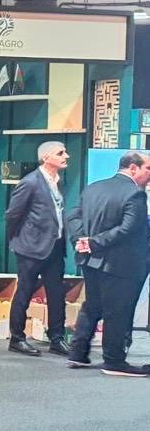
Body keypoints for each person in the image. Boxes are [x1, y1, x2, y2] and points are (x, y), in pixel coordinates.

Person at [65, 151, 150, 377]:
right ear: (133, 168)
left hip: (90, 261)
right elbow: (128, 229)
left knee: (92, 306)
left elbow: (73, 216)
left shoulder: (93, 188)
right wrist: (93, 242)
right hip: (121, 264)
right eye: (148, 169)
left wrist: (81, 241)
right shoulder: (135, 194)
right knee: (117, 311)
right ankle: (114, 361)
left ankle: (78, 353)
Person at [4, 142, 71, 357]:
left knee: (56, 293)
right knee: (24, 292)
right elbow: (12, 215)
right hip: (31, 248)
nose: (66, 156)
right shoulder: (30, 182)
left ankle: (57, 338)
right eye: (60, 153)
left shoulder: (58, 182)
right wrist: (19, 240)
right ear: (46, 158)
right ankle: (17, 338)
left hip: (55, 247)